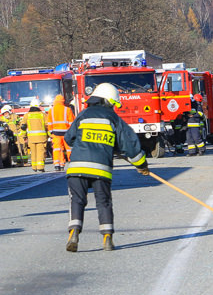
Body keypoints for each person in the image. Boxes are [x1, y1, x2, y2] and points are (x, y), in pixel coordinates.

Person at [64, 82, 148, 252]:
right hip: (101, 169)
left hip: (77, 167)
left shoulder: (83, 115)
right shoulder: (114, 119)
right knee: (103, 202)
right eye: (115, 104)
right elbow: (130, 144)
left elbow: (68, 138)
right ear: (109, 101)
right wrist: (141, 165)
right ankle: (107, 238)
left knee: (77, 201)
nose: (115, 108)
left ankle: (74, 232)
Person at [47, 94, 75, 171]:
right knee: (69, 149)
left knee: (57, 149)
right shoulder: (67, 109)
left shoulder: (51, 110)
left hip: (56, 133)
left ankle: (58, 164)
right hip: (66, 133)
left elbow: (49, 123)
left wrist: (50, 132)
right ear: (63, 101)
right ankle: (72, 162)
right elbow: (72, 122)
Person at [23, 99, 49, 172]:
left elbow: (23, 127)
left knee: (33, 152)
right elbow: (47, 126)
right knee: (40, 152)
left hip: (31, 138)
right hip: (41, 138)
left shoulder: (26, 115)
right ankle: (40, 167)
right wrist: (49, 135)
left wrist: (24, 137)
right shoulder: (43, 115)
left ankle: (34, 167)